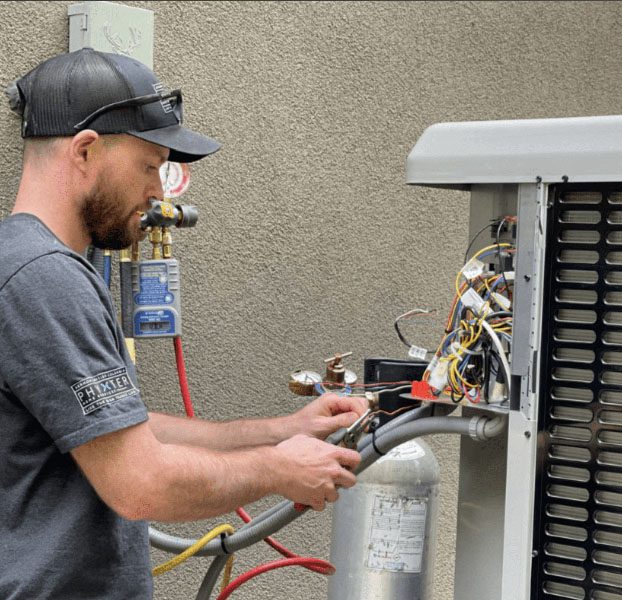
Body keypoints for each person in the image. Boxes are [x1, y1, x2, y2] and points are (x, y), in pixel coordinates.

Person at [0, 48, 367, 599]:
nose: (158, 192)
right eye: (149, 166)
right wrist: (279, 469)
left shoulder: (27, 264)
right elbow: (140, 481)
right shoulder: (45, 279)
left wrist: (283, 431)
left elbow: (123, 432)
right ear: (84, 151)